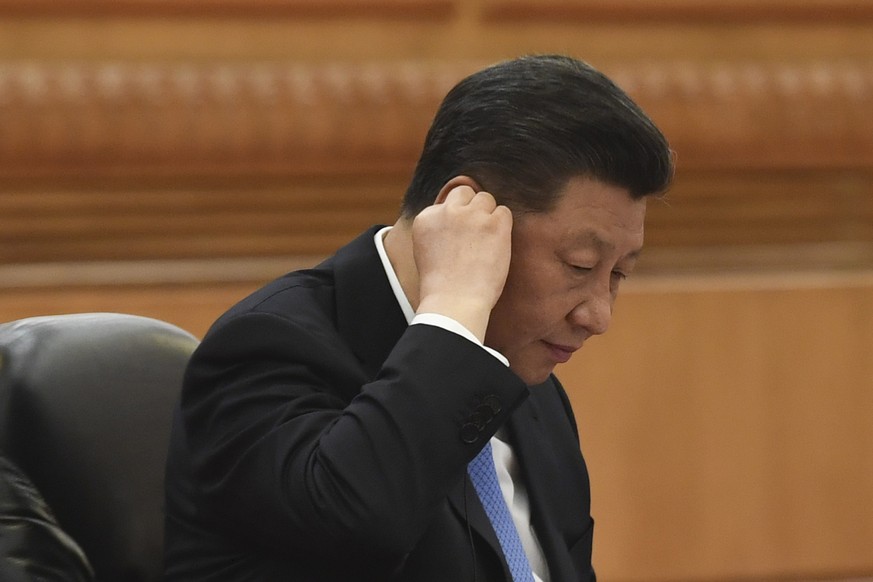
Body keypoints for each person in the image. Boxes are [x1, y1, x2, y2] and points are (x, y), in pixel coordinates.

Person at [163, 54, 673, 581]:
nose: (598, 315)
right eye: (579, 264)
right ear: (469, 214)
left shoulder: (530, 388)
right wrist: (454, 313)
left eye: (617, 275)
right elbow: (359, 526)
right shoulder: (267, 347)